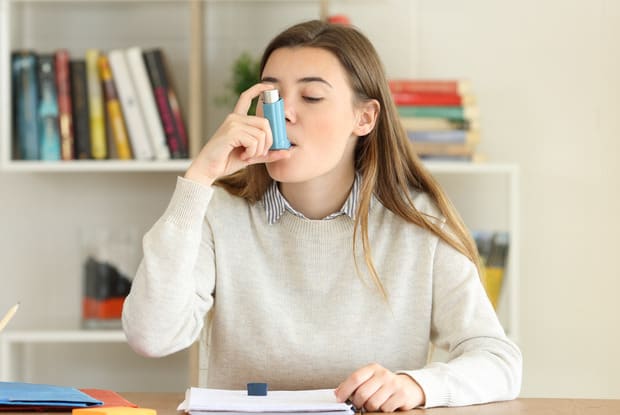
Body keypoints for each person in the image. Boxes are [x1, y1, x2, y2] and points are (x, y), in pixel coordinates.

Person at [122, 19, 522, 411]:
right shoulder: (217, 211)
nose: (284, 114)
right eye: (272, 97)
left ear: (364, 118)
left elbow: (498, 360)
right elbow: (151, 336)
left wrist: (416, 385)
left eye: (311, 97)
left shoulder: (417, 223)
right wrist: (198, 180)